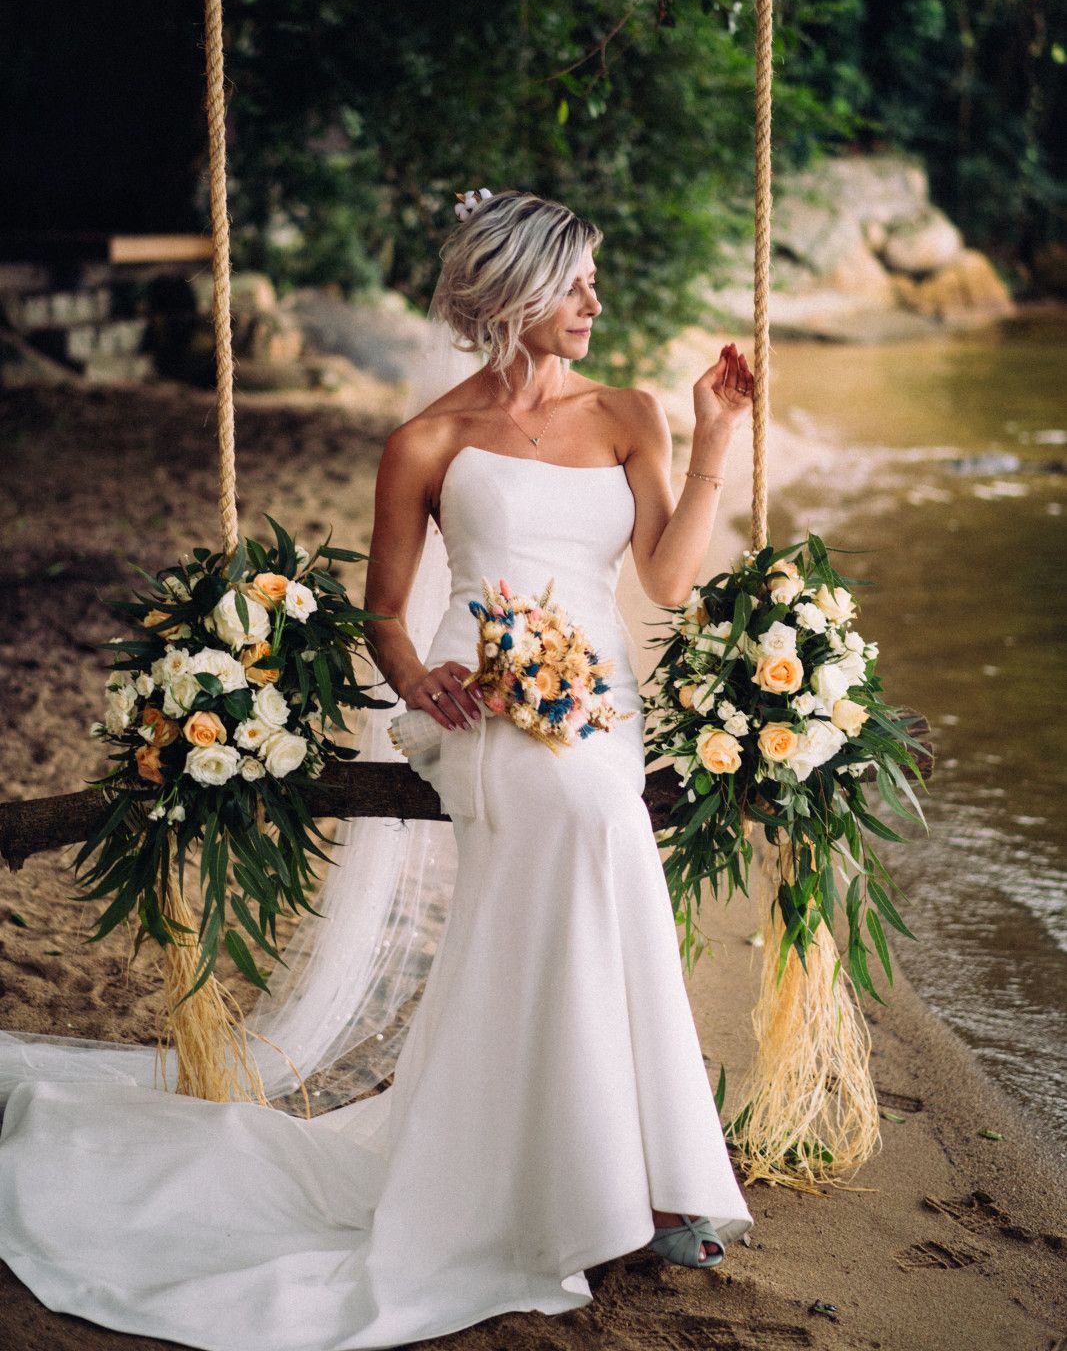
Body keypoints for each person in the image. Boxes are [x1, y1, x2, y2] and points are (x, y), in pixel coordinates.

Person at [0, 187, 755, 1349]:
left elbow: (661, 580)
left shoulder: (628, 413)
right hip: (475, 690)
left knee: (594, 817)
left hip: (598, 696)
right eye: (574, 283)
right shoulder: (429, 440)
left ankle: (626, 1170)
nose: (595, 302)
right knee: (582, 820)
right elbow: (387, 616)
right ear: (510, 295)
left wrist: (713, 439)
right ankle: (633, 1181)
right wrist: (421, 689)